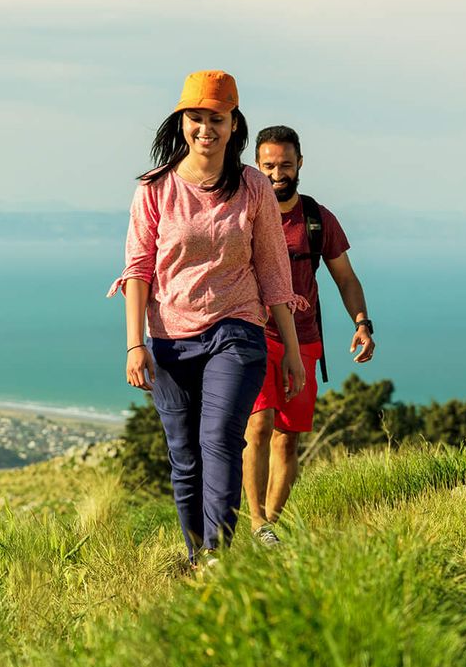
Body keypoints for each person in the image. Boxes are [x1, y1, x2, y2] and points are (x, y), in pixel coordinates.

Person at [108, 72, 307, 566]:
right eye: (196, 118)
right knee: (185, 455)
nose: (205, 129)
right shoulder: (153, 190)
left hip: (236, 329)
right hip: (170, 339)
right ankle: (196, 554)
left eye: (216, 119)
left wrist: (293, 354)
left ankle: (218, 555)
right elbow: (138, 270)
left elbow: (274, 272)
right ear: (182, 122)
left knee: (219, 438)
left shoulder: (253, 187)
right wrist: (135, 345)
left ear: (233, 123)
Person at [243, 125, 375, 544]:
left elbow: (346, 278)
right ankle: (256, 521)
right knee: (258, 425)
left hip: (305, 339)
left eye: (285, 164)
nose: (277, 173)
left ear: (300, 163)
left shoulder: (317, 219)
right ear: (256, 166)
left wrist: (362, 324)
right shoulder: (244, 213)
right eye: (268, 166)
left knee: (288, 440)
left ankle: (272, 531)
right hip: (255, 334)